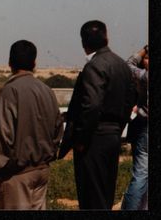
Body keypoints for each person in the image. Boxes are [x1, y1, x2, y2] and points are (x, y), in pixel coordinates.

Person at [58, 21, 136, 209]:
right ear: (106, 37)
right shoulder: (121, 65)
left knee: (91, 196)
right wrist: (118, 127)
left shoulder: (94, 66)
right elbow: (131, 98)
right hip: (112, 136)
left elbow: (91, 105)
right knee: (105, 193)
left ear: (84, 43)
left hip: (94, 138)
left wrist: (81, 139)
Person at [0, 40, 63, 210]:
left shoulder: (10, 91)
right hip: (41, 171)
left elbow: (1, 135)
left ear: (10, 63)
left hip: (17, 176)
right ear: (34, 63)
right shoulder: (46, 90)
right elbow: (58, 130)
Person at [121, 45, 148, 210]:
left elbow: (128, 64)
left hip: (145, 128)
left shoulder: (145, 77)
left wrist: (144, 50)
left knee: (140, 175)